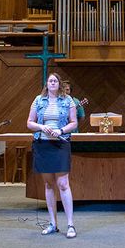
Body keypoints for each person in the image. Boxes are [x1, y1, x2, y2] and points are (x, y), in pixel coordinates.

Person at [26, 72, 79, 239]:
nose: (53, 83)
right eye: (50, 81)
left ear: (59, 84)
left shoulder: (67, 100)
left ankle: (70, 225)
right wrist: (42, 128)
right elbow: (29, 123)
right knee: (49, 185)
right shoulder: (38, 100)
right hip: (42, 144)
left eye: (55, 80)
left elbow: (74, 123)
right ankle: (53, 224)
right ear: (46, 84)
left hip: (60, 143)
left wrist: (60, 130)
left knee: (63, 183)